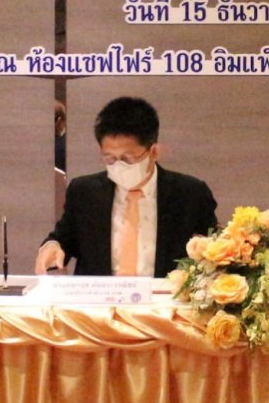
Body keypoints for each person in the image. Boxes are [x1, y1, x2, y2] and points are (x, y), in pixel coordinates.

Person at [35, 96, 219, 276]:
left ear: (153, 151)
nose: (119, 166)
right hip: (100, 295)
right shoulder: (84, 191)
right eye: (110, 158)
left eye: (128, 158)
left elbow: (216, 250)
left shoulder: (190, 194)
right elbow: (63, 239)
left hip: (164, 295)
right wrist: (52, 247)